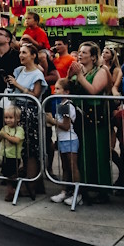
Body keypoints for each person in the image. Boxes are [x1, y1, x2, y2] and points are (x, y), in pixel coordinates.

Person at [67, 41, 113, 199]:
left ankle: (102, 189)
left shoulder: (101, 70)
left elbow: (93, 90)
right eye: (80, 51)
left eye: (85, 52)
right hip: (80, 118)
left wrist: (79, 76)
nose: (80, 55)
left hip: (96, 117)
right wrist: (70, 75)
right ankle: (85, 185)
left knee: (98, 152)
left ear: (93, 57)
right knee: (83, 152)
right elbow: (69, 87)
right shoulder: (80, 71)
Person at [6, 42, 48, 197]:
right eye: (20, 52)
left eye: (24, 52)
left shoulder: (37, 74)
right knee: (18, 148)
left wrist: (18, 85)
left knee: (30, 149)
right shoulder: (18, 70)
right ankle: (20, 182)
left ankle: (31, 184)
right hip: (16, 110)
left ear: (33, 55)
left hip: (30, 112)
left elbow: (35, 94)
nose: (21, 55)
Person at [46, 78, 81, 206]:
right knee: (65, 167)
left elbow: (65, 126)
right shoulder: (61, 105)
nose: (55, 91)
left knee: (72, 166)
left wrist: (52, 121)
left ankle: (78, 193)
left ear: (66, 91)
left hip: (70, 139)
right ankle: (65, 190)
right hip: (62, 139)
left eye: (58, 89)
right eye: (55, 88)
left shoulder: (67, 105)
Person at [0, 105, 25, 201]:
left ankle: (12, 192)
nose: (8, 120)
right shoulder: (5, 128)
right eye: (6, 118)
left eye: (11, 118)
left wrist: (5, 135)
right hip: (5, 155)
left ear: (17, 119)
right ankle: (11, 191)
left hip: (14, 156)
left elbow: (16, 140)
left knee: (12, 176)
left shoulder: (19, 130)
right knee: (7, 175)